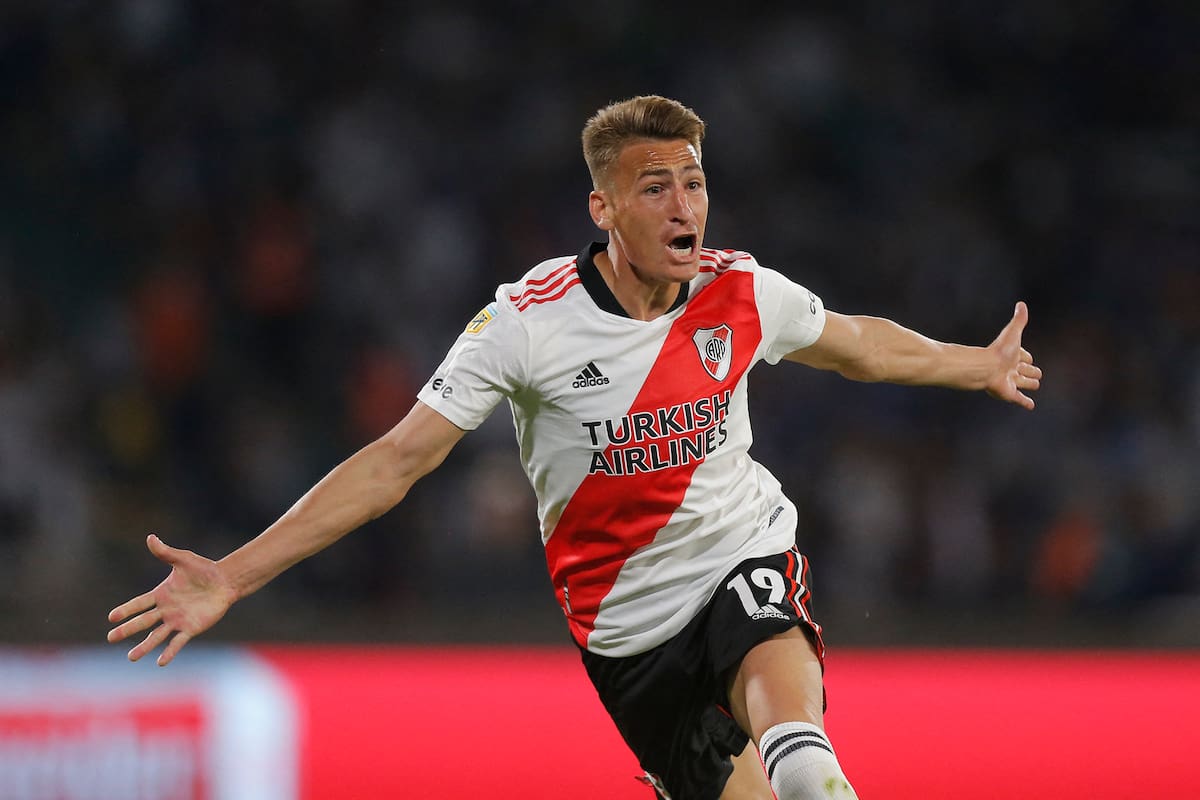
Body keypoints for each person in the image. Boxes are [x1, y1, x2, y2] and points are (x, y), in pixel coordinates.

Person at [108, 95, 1042, 799]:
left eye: (695, 182)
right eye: (656, 187)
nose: (686, 207)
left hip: (739, 557)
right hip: (624, 633)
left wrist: (976, 365)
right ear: (602, 208)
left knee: (801, 755)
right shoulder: (525, 324)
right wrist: (232, 575)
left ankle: (802, 750)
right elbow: (395, 461)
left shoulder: (742, 292)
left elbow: (858, 343)